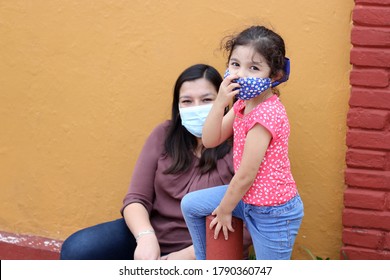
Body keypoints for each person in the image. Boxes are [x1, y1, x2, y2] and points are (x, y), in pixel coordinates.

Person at [60, 63, 249, 260]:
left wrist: (186, 255)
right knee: (78, 248)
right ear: (178, 106)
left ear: (224, 101)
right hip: (152, 239)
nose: (197, 108)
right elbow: (136, 199)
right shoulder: (163, 135)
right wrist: (146, 238)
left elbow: (251, 224)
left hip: (209, 249)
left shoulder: (241, 142)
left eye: (206, 99)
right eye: (187, 101)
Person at [181, 26, 304, 260]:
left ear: (275, 75)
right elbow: (210, 139)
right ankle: (204, 262)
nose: (241, 74)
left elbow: (246, 174)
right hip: (247, 198)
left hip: (274, 212)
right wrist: (220, 103)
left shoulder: (266, 114)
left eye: (254, 68)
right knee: (191, 205)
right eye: (235, 64)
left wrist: (226, 209)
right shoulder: (242, 104)